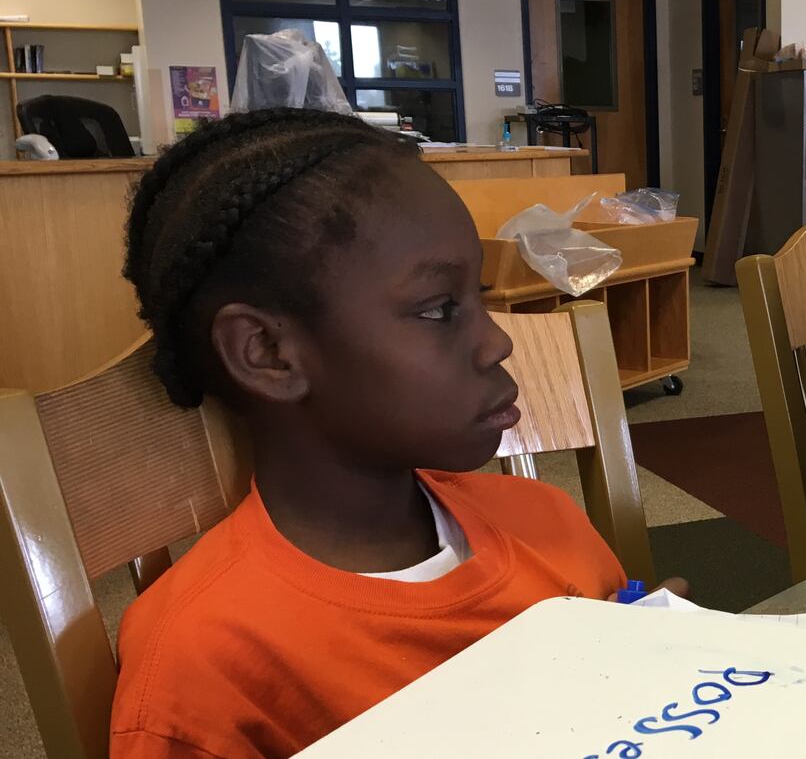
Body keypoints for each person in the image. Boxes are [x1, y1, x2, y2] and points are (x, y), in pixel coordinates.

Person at [110, 109, 668, 757]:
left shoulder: (549, 521)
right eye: (438, 310)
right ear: (266, 352)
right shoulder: (202, 661)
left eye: (480, 298)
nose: (497, 341)